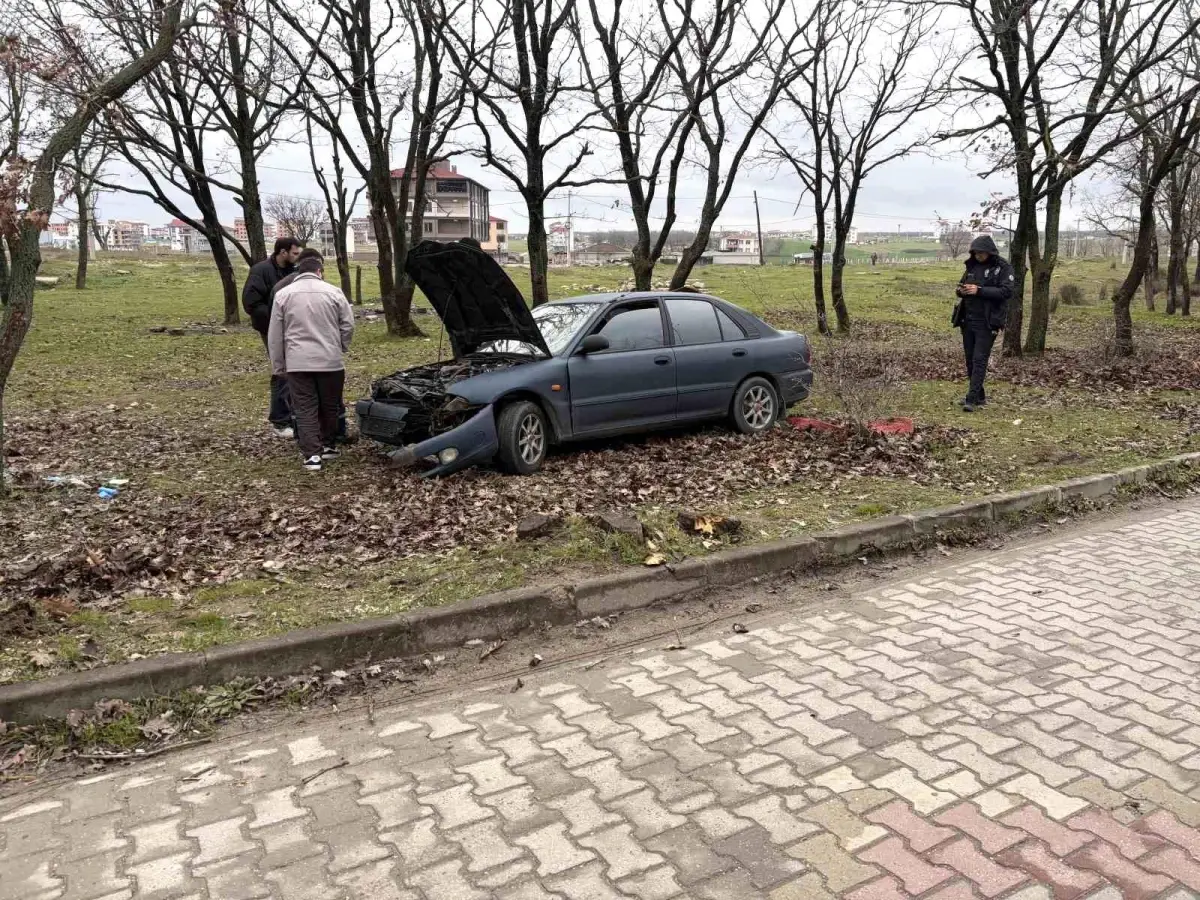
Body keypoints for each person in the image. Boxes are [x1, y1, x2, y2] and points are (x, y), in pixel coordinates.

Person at [268, 255, 355, 471]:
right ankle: (328, 445)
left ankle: (312, 455)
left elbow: (275, 335)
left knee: (305, 407)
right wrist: (341, 346)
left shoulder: (283, 295)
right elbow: (348, 324)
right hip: (330, 361)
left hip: (298, 362)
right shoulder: (334, 292)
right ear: (319, 272)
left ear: (299, 273)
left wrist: (279, 365)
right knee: (330, 405)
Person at [243, 237, 302, 438]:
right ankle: (280, 420)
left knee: (297, 371)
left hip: (294, 329)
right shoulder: (260, 271)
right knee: (282, 371)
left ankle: (295, 415)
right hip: (271, 328)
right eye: (294, 253)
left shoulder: (295, 271)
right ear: (283, 252)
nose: (297, 257)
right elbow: (251, 303)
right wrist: (276, 321)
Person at [955, 234, 1014, 413]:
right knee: (970, 360)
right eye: (975, 252)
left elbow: (1006, 291)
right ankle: (979, 396)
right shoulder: (972, 266)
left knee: (979, 359)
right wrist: (961, 290)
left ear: (990, 252)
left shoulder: (1003, 267)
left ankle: (971, 399)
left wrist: (979, 291)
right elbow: (963, 285)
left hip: (988, 321)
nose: (978, 256)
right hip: (968, 319)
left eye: (981, 253)